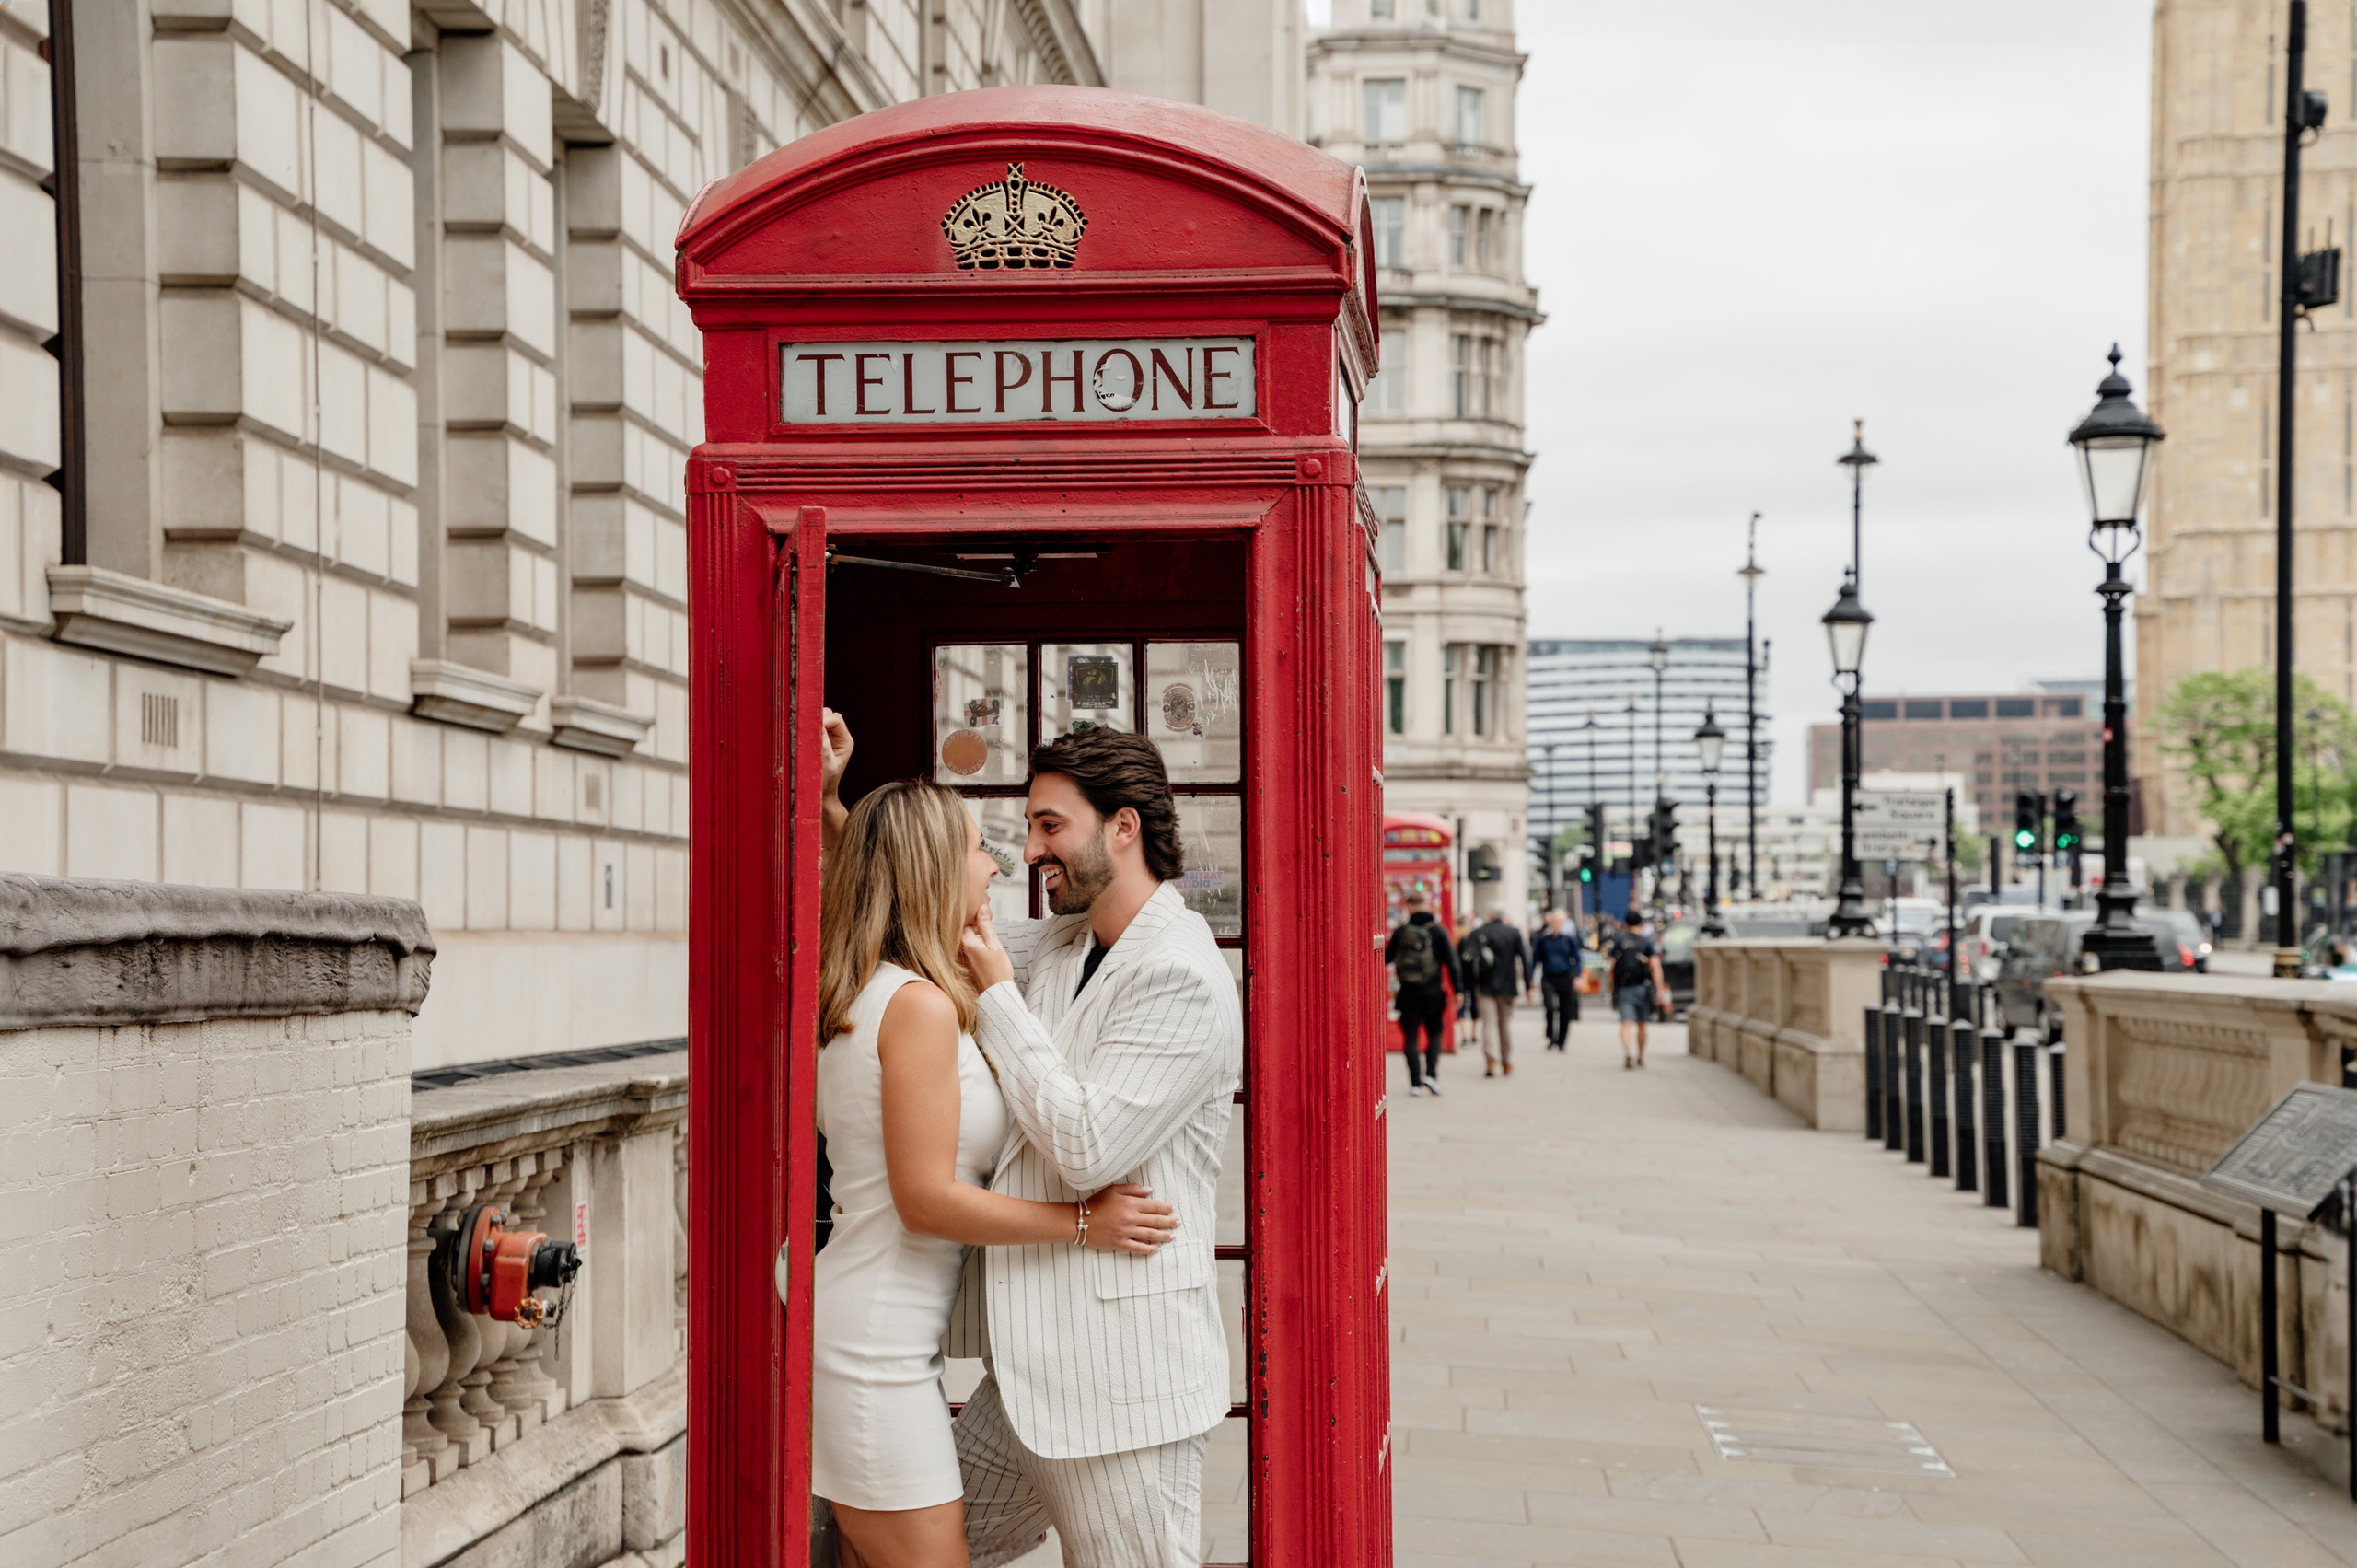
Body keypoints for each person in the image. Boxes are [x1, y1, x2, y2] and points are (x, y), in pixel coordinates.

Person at [808, 773, 1179, 1568]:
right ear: (937, 867)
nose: (999, 864)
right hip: (874, 1351)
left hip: (878, 1331)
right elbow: (925, 1199)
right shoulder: (918, 1006)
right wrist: (1085, 1222)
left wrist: (836, 809)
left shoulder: (882, 990)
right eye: (980, 848)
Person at [1385, 891, 1460, 1096]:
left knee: (1410, 1038)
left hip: (1408, 993)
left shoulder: (1401, 932)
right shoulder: (1438, 931)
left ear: (1409, 906)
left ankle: (1415, 1084)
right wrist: (1458, 990)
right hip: (1433, 992)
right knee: (1434, 1034)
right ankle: (1431, 1076)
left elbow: (1386, 958)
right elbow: (1452, 963)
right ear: (1425, 905)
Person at [1466, 909, 1532, 1078]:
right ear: (1503, 917)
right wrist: (1527, 985)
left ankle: (1490, 1059)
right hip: (1507, 986)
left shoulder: (1479, 932)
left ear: (1490, 916)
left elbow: (1466, 958)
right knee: (1504, 1025)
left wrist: (1468, 985)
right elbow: (1524, 958)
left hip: (1484, 986)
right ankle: (1506, 1061)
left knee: (1488, 1023)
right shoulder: (1513, 933)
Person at [1607, 910, 1671, 1069]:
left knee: (1626, 1023)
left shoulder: (1619, 941)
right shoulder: (1646, 943)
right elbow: (1655, 967)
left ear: (1626, 924)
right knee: (1642, 1024)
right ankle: (1640, 1056)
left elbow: (1611, 967)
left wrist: (1612, 988)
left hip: (1624, 988)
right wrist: (1659, 989)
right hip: (1643, 987)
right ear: (1640, 924)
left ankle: (1628, 1051)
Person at [1532, 908, 1583, 1051]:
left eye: (1558, 921)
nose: (1556, 924)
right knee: (1550, 1006)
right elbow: (1536, 959)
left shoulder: (1568, 940)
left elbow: (1577, 959)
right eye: (1553, 921)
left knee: (1565, 1009)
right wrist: (1531, 978)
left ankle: (1561, 1040)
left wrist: (1578, 976)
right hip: (1549, 976)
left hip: (1565, 976)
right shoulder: (1543, 940)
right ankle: (1551, 1035)